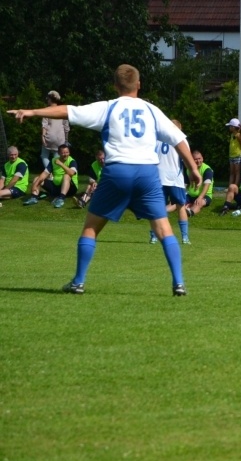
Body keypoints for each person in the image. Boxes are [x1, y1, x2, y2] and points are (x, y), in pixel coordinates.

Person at [9, 64, 201, 296]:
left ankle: (78, 282)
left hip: (118, 171)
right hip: (148, 173)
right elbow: (178, 138)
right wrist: (192, 168)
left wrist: (32, 112)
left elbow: (68, 110)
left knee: (91, 227)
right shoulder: (151, 110)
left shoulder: (108, 108)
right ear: (138, 85)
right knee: (163, 228)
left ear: (115, 86)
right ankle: (178, 283)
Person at [149, 119, 191, 245]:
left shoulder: (157, 139)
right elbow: (186, 158)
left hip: (159, 177)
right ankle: (184, 237)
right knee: (180, 207)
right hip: (175, 178)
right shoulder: (181, 140)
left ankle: (154, 237)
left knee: (157, 207)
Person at [23, 143, 78, 208]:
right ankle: (34, 198)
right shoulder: (53, 160)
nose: (65, 154)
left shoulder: (72, 161)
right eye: (63, 153)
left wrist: (61, 164)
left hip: (71, 189)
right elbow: (45, 174)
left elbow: (71, 173)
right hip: (56, 186)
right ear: (59, 153)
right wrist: (35, 185)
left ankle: (61, 199)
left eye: (67, 152)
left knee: (67, 175)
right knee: (37, 179)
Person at [40, 90, 69, 170]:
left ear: (50, 99)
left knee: (44, 156)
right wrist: (66, 140)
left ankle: (49, 172)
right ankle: (56, 173)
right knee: (57, 158)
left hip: (49, 136)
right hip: (60, 138)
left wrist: (43, 136)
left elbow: (44, 125)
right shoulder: (62, 110)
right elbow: (66, 127)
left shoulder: (47, 110)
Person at [186, 150, 214, 217]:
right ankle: (163, 211)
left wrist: (200, 197)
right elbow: (186, 184)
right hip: (191, 195)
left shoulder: (207, 170)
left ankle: (190, 212)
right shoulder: (189, 169)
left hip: (205, 195)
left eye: (199, 158)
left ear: (202, 158)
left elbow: (206, 185)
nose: (198, 161)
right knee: (177, 201)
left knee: (199, 202)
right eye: (195, 159)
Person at [226, 118, 241, 188]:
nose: (229, 128)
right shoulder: (232, 135)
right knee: (232, 172)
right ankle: (230, 186)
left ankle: (235, 186)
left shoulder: (238, 135)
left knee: (237, 172)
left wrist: (240, 139)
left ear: (233, 127)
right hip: (231, 155)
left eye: (230, 126)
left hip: (238, 156)